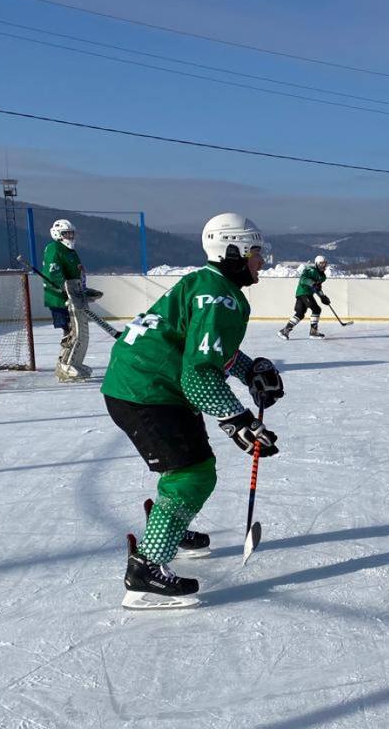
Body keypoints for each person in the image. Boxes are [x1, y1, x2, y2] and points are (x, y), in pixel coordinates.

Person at [100, 212, 285, 609]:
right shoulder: (221, 297)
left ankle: (167, 528)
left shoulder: (206, 284)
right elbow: (198, 376)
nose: (261, 261)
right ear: (232, 251)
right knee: (192, 473)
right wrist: (239, 422)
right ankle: (145, 570)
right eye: (255, 253)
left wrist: (248, 370)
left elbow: (207, 348)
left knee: (191, 465)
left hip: (148, 383)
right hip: (147, 391)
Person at [42, 219, 101, 381]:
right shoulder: (54, 248)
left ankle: (73, 362)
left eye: (71, 233)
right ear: (57, 234)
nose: (70, 236)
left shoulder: (70, 251)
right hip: (60, 299)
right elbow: (53, 273)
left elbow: (76, 274)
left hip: (74, 297)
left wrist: (84, 290)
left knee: (79, 332)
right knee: (70, 332)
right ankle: (64, 365)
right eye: (66, 233)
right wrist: (65, 289)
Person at [278, 255, 333, 339]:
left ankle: (285, 331)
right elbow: (303, 279)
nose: (323, 265)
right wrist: (313, 283)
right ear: (317, 263)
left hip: (305, 294)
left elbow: (318, 288)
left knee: (300, 314)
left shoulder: (323, 277)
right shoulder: (310, 270)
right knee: (316, 309)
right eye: (321, 263)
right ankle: (313, 332)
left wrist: (322, 297)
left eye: (325, 263)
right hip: (304, 292)